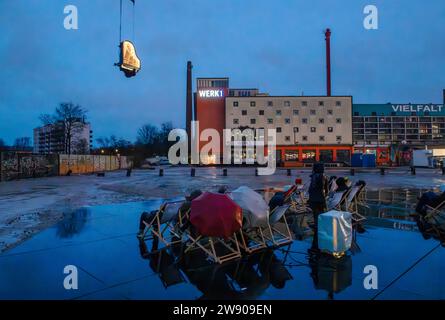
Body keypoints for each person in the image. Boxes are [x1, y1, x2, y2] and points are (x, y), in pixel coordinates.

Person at [308, 162, 329, 255]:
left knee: (315, 212)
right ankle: (319, 225)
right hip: (321, 198)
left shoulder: (314, 176)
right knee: (320, 212)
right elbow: (326, 188)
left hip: (314, 197)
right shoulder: (324, 176)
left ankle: (317, 226)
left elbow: (311, 188)